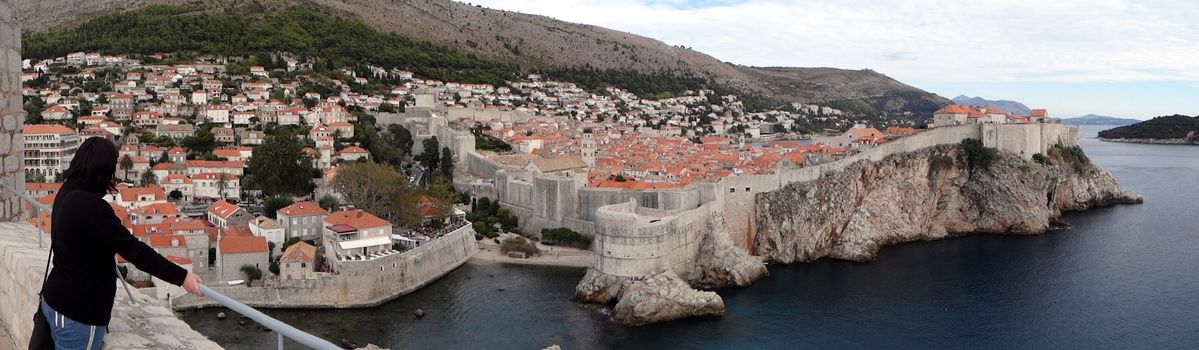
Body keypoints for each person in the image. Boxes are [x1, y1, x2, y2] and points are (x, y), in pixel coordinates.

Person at [36, 138, 205, 349]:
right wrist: (182, 277)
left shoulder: (66, 192)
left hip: (55, 300)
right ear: (105, 169)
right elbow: (135, 251)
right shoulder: (90, 206)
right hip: (77, 313)